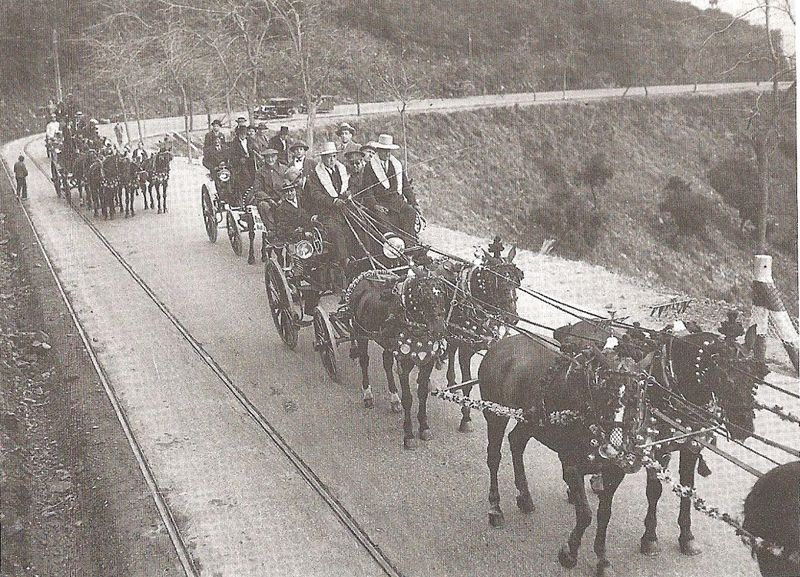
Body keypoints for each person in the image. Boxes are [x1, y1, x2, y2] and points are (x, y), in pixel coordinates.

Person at [305, 141, 351, 275]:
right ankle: (344, 262)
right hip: (326, 212)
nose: (332, 160)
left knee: (359, 224)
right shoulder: (315, 175)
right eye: (328, 157)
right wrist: (333, 201)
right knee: (336, 231)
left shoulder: (341, 170)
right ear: (322, 158)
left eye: (334, 156)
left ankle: (363, 256)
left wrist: (347, 194)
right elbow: (316, 195)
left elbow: (347, 188)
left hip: (344, 209)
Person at [360, 133, 418, 239]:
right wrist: (375, 205)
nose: (387, 154)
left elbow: (405, 186)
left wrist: (413, 202)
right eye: (384, 151)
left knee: (410, 212)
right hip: (381, 203)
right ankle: (391, 243)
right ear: (378, 150)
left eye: (389, 151)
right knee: (382, 219)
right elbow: (367, 190)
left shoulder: (396, 165)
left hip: (396, 202)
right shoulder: (370, 166)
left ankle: (409, 243)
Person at [250, 148, 287, 238]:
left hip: (283, 197)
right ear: (265, 159)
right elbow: (257, 189)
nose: (270, 159)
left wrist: (283, 198)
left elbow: (289, 185)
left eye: (272, 157)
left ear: (276, 157)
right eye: (268, 157)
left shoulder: (284, 169)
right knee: (264, 206)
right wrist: (269, 200)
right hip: (267, 199)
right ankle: (271, 230)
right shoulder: (260, 172)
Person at [272, 167, 313, 242]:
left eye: (291, 190)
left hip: (311, 234)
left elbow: (309, 215)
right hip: (295, 239)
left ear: (295, 190)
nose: (290, 193)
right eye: (287, 192)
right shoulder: (281, 209)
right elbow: (284, 229)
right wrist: (302, 234)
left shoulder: (302, 200)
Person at [227, 125, 255, 207]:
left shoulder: (250, 141)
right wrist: (240, 159)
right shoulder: (234, 143)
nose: (243, 136)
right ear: (238, 134)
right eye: (241, 134)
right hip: (239, 166)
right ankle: (243, 199)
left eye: (245, 134)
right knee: (246, 178)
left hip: (251, 163)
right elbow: (231, 156)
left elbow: (255, 150)